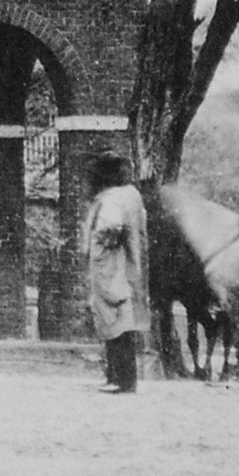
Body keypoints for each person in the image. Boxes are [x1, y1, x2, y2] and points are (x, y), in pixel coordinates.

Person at [83, 151, 149, 394]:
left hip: (110, 265)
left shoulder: (110, 199)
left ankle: (120, 378)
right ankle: (121, 376)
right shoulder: (131, 195)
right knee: (122, 318)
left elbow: (110, 226)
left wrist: (100, 244)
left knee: (113, 316)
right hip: (127, 263)